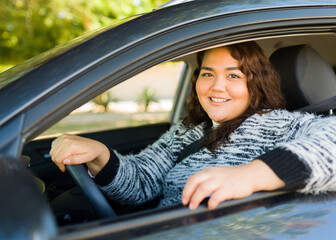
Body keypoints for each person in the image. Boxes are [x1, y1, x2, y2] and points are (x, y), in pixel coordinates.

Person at [50, 41, 336, 210]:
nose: (216, 86)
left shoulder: (280, 124)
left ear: (256, 84)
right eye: (208, 74)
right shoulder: (189, 130)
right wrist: (100, 154)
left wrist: (251, 175)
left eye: (234, 76)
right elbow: (141, 183)